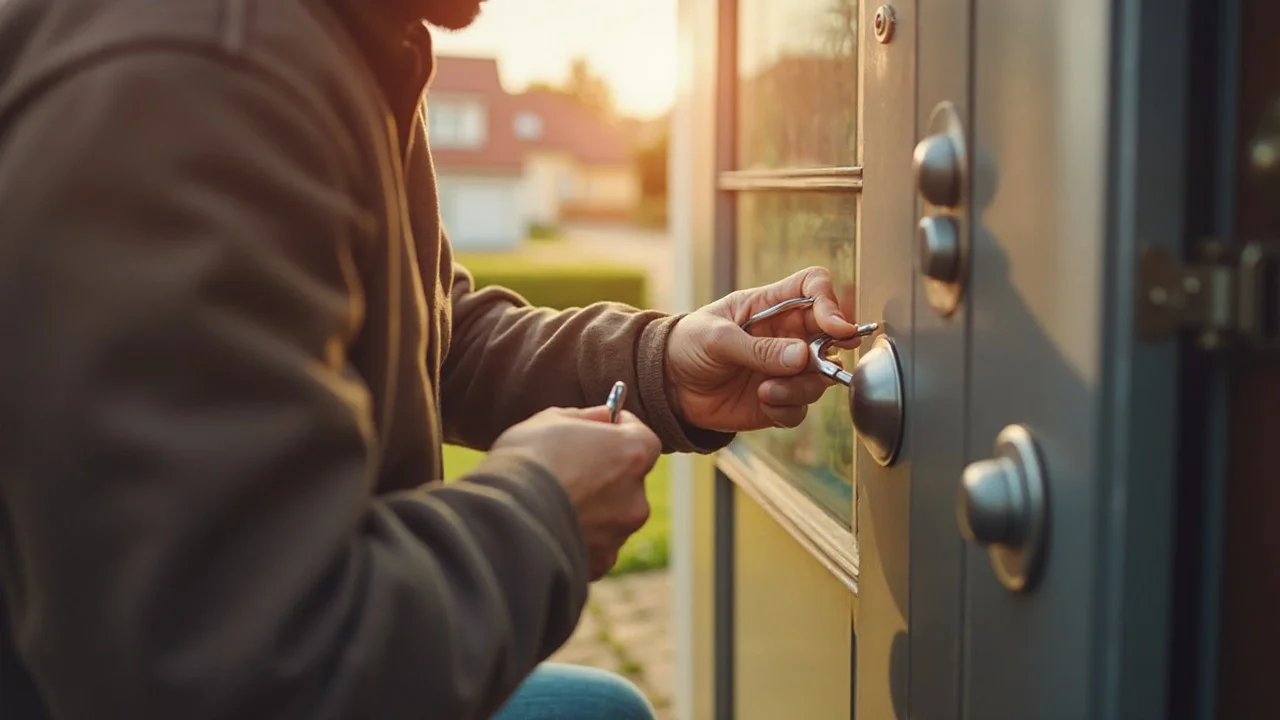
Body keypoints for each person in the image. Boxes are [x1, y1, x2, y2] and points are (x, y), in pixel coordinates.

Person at [0, 0, 862, 718]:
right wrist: (542, 513)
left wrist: (659, 365)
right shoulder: (200, 76)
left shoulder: (344, 42)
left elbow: (433, 331)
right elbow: (235, 667)